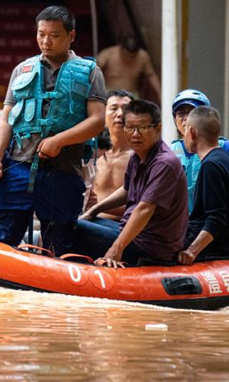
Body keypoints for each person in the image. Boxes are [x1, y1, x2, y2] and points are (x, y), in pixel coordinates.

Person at [0, 5, 106, 256]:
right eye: (41, 34)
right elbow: (5, 118)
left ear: (71, 36)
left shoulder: (90, 72)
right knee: (1, 233)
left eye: (54, 35)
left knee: (58, 240)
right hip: (18, 165)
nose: (45, 41)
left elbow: (97, 120)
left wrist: (59, 141)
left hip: (62, 170)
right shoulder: (22, 70)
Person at [76, 100, 188, 267]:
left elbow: (144, 209)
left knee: (74, 227)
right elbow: (127, 190)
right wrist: (93, 211)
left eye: (142, 128)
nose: (135, 134)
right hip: (131, 233)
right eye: (129, 127)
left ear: (158, 128)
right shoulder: (138, 155)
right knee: (82, 219)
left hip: (150, 247)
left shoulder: (164, 163)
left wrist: (115, 250)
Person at [179, 106, 229, 265]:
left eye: (185, 131)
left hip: (215, 249)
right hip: (226, 245)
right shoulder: (225, 159)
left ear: (192, 132)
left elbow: (216, 219)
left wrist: (191, 251)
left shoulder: (212, 165)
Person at [170, 89, 229, 212]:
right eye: (181, 113)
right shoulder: (170, 151)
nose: (186, 118)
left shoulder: (225, 148)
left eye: (192, 112)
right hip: (181, 225)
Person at [83, 89, 135, 220]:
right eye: (113, 108)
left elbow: (143, 205)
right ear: (103, 115)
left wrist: (98, 206)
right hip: (89, 223)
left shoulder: (141, 157)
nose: (120, 114)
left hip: (125, 229)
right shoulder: (93, 154)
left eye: (126, 109)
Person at [96, 35, 161, 102]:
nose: (129, 58)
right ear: (121, 48)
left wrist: (160, 92)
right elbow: (93, 70)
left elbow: (151, 75)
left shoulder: (143, 57)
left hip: (131, 95)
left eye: (132, 56)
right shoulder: (108, 54)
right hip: (109, 93)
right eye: (126, 55)